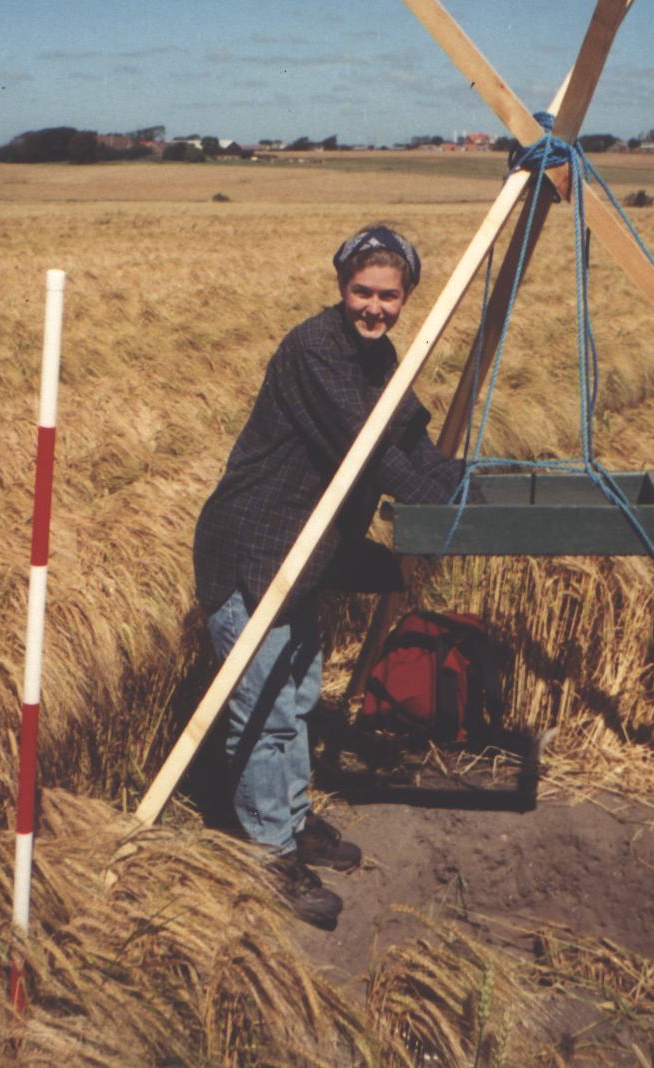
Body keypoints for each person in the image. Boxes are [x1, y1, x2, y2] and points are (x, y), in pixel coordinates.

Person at [193, 223, 468, 929]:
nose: (374, 307)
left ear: (407, 296)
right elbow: (370, 451)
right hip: (252, 550)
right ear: (342, 286)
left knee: (297, 695)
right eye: (361, 292)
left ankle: (291, 820)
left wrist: (467, 488)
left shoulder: (377, 355)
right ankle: (270, 855)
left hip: (301, 555)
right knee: (264, 713)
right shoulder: (316, 349)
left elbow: (407, 438)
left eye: (388, 296)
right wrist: (446, 509)